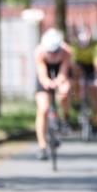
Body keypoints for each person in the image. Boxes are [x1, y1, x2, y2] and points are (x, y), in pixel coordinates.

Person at [34, 28, 72, 160]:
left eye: (55, 52)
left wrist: (59, 82)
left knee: (65, 93)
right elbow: (42, 74)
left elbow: (63, 72)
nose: (52, 55)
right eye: (50, 52)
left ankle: (65, 118)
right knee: (43, 109)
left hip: (60, 71)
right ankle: (42, 146)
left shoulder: (67, 52)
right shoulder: (39, 52)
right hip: (45, 73)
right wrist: (47, 82)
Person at [70, 25, 97, 132]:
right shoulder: (74, 45)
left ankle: (96, 118)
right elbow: (74, 63)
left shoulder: (96, 44)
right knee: (75, 80)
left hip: (91, 68)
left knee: (95, 90)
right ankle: (77, 100)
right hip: (79, 67)